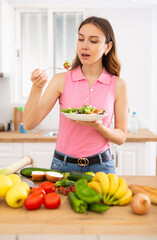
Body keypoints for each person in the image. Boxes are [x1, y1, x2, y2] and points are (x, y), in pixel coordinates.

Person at [23, 16, 128, 174]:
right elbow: (29, 124)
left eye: (93, 41)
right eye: (81, 39)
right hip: (63, 165)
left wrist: (100, 127)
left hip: (102, 166)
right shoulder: (61, 80)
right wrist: (36, 88)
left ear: (108, 47)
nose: (84, 46)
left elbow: (120, 137)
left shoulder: (118, 84)